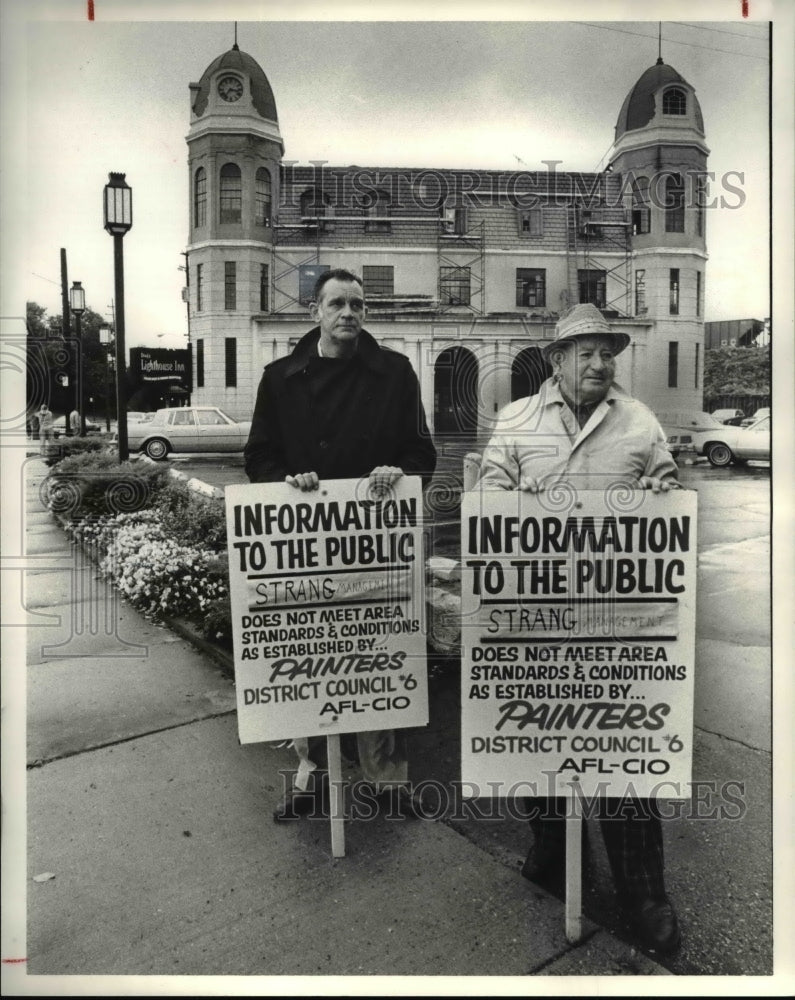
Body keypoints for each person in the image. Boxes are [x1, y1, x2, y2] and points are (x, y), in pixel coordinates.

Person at [475, 303, 682, 955]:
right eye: (584, 352)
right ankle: (550, 850)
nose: (598, 363)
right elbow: (486, 500)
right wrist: (511, 505)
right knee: (539, 748)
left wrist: (658, 492)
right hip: (538, 622)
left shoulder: (638, 420)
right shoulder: (515, 421)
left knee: (621, 761)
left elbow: (666, 491)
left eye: (606, 352)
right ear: (557, 359)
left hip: (615, 624)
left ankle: (643, 892)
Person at [244, 268, 437, 822]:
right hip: (305, 546)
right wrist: (287, 480)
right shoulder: (280, 378)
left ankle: (387, 782)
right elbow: (259, 456)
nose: (348, 313)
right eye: (336, 304)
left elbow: (422, 454)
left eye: (357, 304)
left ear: (365, 313)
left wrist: (396, 471)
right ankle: (310, 774)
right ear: (316, 313)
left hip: (376, 546)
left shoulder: (396, 373)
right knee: (306, 657)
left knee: (380, 658)